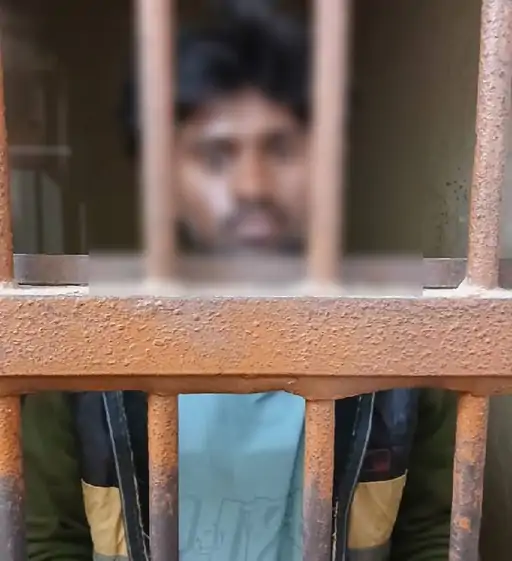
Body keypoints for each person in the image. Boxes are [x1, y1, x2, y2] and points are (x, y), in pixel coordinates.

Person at [22, 5, 456, 561]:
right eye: (215, 155)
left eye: (281, 149)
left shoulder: (404, 338)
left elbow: (434, 536)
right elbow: (48, 541)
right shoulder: (82, 343)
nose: (252, 186)